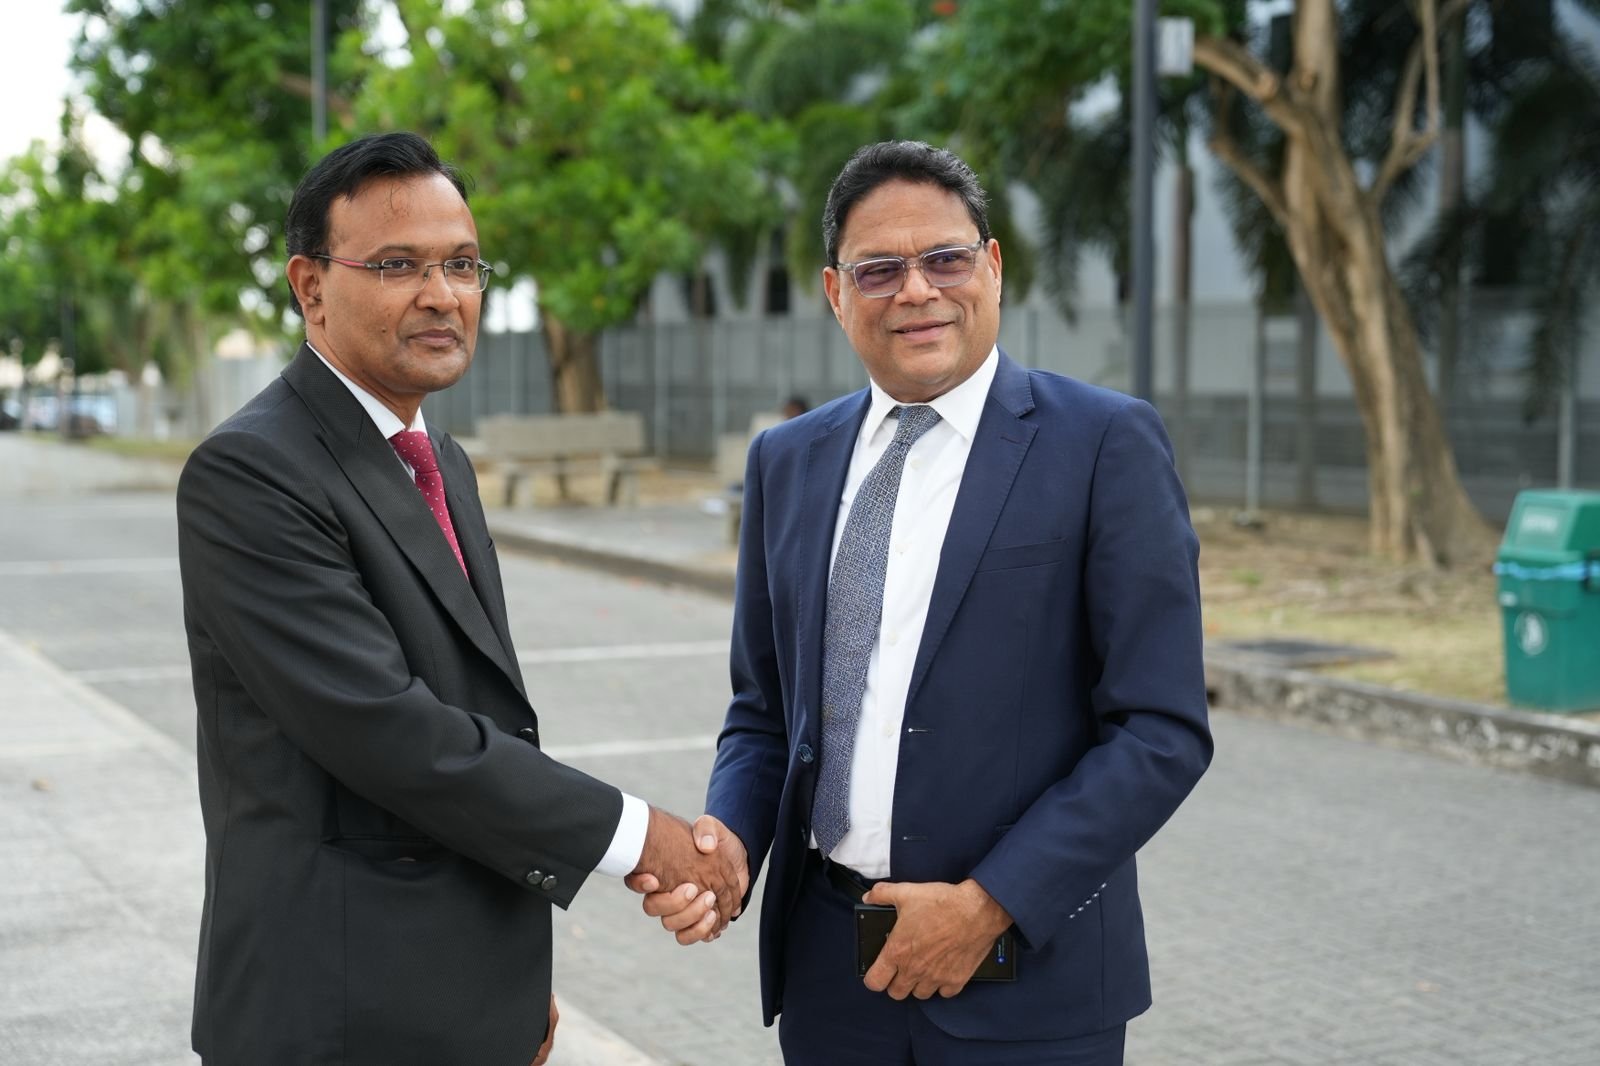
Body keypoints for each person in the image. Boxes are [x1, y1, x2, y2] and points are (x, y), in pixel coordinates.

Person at [632, 140, 1213, 1065]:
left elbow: (1161, 729)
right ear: (834, 293)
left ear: (991, 267)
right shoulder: (786, 462)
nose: (916, 290)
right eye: (879, 270)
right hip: (832, 973)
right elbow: (764, 713)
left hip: (1026, 976)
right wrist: (730, 843)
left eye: (944, 258)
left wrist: (989, 906)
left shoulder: (1105, 444)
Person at [176, 132, 742, 1066]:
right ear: (309, 287)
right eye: (398, 265)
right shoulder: (252, 471)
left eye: (464, 265)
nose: (442, 295)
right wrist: (644, 838)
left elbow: (481, 724)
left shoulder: (439, 463)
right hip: (335, 1016)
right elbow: (394, 736)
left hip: (458, 999)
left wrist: (505, 983)